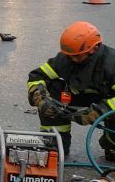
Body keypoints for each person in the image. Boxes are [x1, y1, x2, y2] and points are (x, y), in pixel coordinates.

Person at [27, 21, 115, 159]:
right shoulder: (66, 58)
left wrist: (98, 112)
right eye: (69, 55)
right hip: (76, 95)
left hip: (106, 102)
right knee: (52, 86)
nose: (72, 59)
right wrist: (41, 99)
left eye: (77, 56)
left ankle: (112, 146)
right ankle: (55, 143)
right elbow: (37, 76)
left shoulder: (111, 63)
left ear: (94, 49)